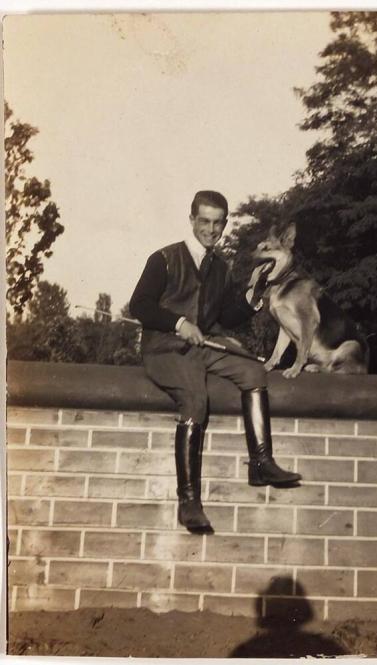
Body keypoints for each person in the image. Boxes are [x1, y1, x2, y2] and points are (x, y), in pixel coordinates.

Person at [129, 190, 301, 534]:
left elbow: (225, 316)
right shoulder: (163, 258)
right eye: (204, 221)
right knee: (195, 396)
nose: (211, 229)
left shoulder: (221, 268)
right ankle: (188, 501)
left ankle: (261, 463)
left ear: (224, 224)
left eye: (217, 222)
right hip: (164, 348)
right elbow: (140, 306)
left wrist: (252, 298)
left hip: (202, 347)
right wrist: (178, 323)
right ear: (192, 219)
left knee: (253, 371)